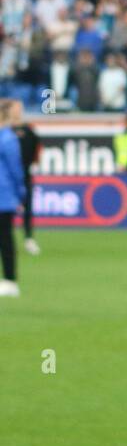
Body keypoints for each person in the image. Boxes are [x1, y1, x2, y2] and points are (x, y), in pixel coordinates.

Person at [4, 100, 38, 258]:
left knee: (27, 207)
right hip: (7, 179)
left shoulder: (28, 129)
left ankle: (28, 238)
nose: (19, 110)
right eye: (16, 108)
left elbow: (35, 147)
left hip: (23, 174)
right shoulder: (6, 132)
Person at [0, 110, 24, 298]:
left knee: (5, 239)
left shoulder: (7, 139)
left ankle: (10, 280)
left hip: (4, 195)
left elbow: (15, 169)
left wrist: (19, 192)